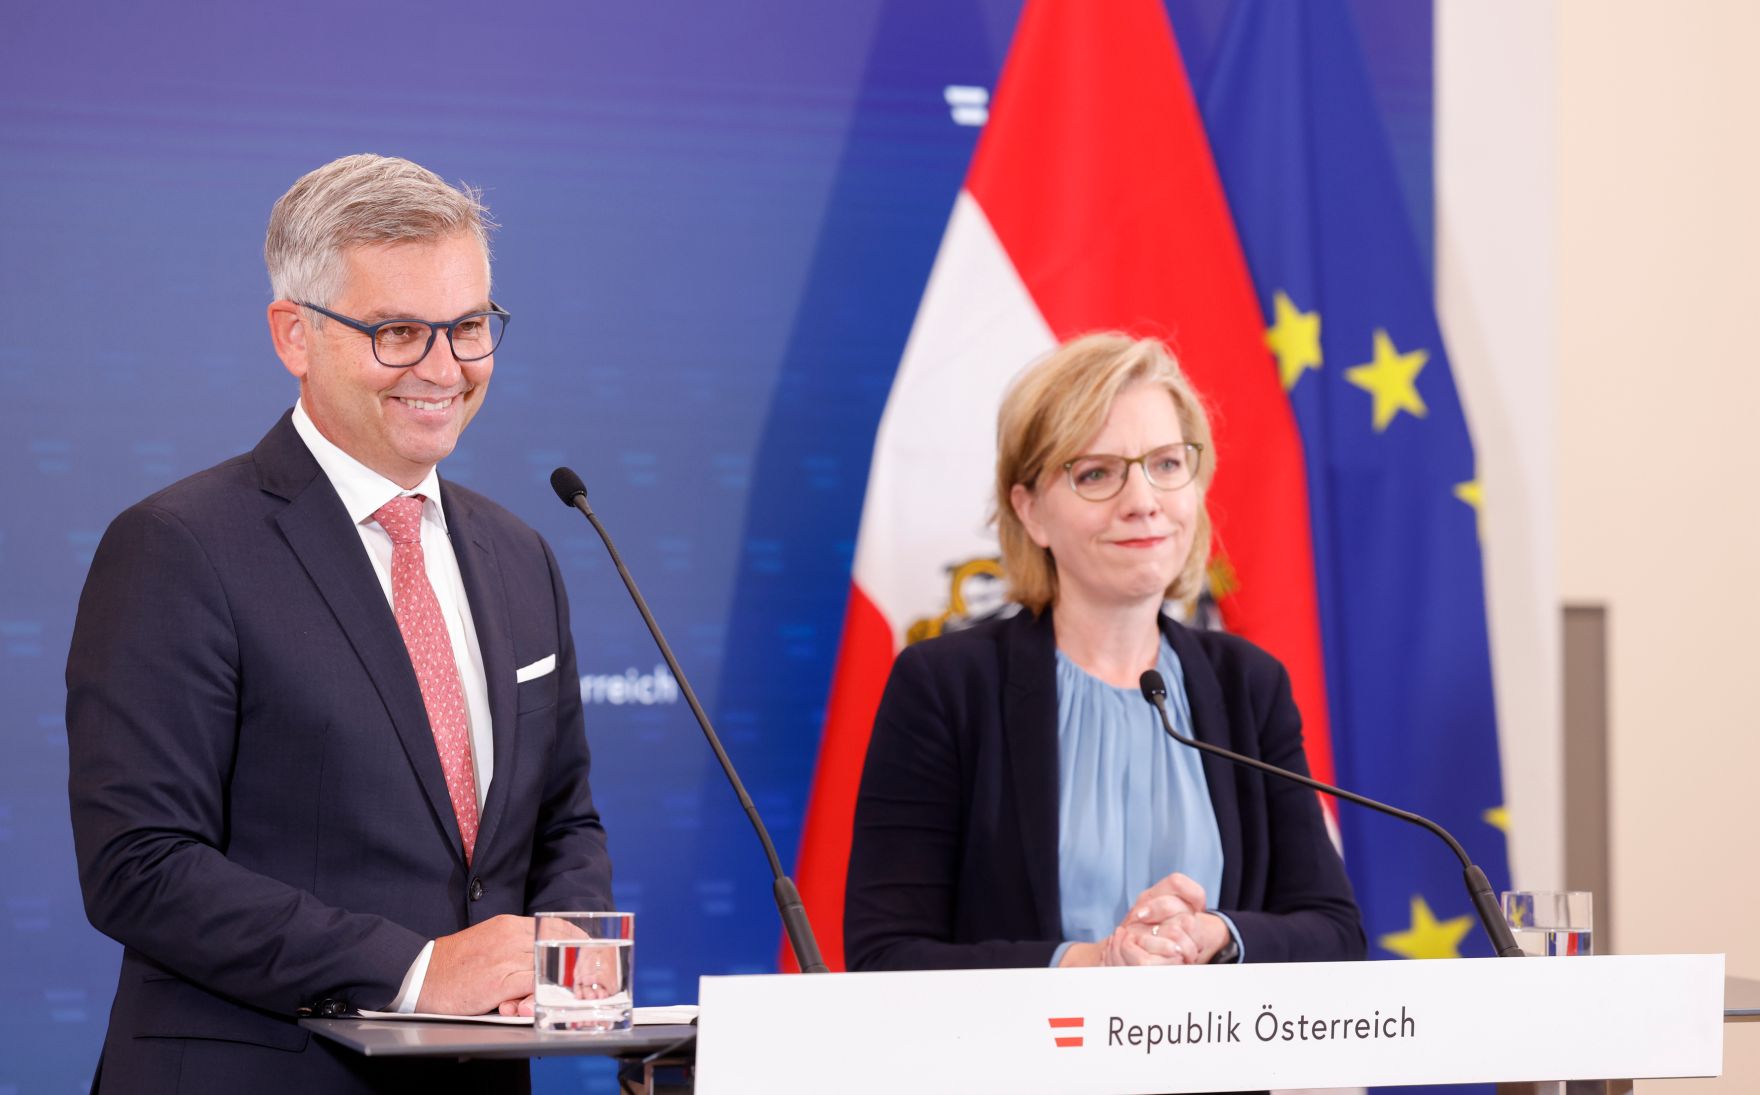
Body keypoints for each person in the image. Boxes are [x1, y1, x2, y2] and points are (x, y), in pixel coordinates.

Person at [65, 154, 612, 1093]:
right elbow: (140, 863)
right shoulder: (178, 546)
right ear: (294, 334)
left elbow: (564, 819)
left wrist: (562, 938)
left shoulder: (521, 553)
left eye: (470, 327)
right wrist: (416, 970)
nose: (445, 368)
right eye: (398, 331)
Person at [844, 333, 1364, 973]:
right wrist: (1092, 965)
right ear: (1030, 512)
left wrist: (1215, 936)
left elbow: (1334, 932)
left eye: (1167, 465)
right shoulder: (947, 685)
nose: (1143, 501)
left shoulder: (1247, 686)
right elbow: (886, 955)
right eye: (1097, 473)